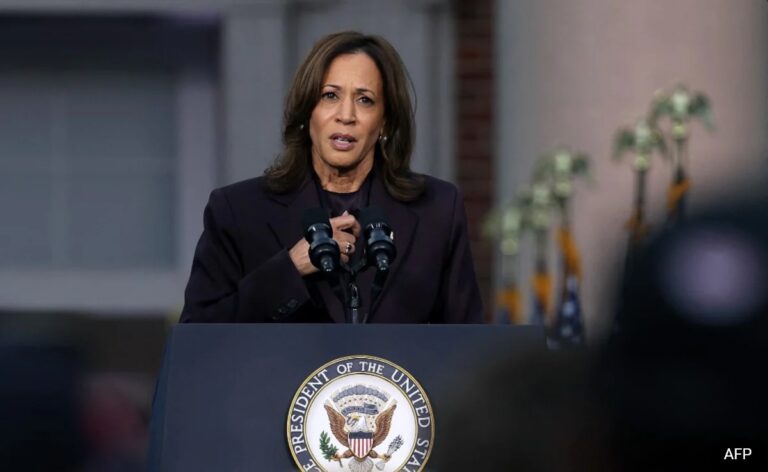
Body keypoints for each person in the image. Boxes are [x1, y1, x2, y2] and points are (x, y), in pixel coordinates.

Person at [180, 31, 482, 324]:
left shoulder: (437, 210)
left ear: (385, 121)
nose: (346, 115)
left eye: (364, 100)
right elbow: (198, 335)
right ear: (306, 111)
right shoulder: (237, 211)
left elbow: (467, 347)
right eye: (330, 96)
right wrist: (290, 268)